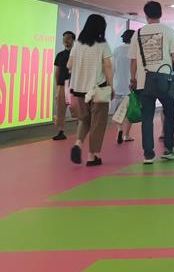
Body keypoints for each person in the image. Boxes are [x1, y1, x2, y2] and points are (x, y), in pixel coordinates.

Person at [130, 0, 174, 165]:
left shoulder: (138, 34)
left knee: (147, 118)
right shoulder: (169, 32)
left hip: (144, 82)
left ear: (146, 15)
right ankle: (169, 149)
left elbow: (133, 61)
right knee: (169, 113)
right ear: (160, 13)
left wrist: (133, 79)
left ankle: (148, 154)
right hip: (165, 80)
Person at [68, 15, 113, 168]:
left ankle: (78, 143)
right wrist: (111, 85)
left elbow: (69, 65)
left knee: (84, 119)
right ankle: (92, 156)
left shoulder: (77, 44)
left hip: (79, 89)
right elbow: (108, 66)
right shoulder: (102, 44)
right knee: (97, 123)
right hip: (97, 89)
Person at [51, 30, 76, 140]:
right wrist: (58, 86)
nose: (66, 40)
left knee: (78, 109)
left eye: (68, 38)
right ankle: (60, 131)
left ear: (73, 40)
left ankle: (81, 131)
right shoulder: (60, 55)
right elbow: (57, 71)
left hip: (75, 86)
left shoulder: (77, 54)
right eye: (64, 38)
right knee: (60, 110)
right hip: (62, 85)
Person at [113, 29, 136, 144]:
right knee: (129, 111)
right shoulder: (135, 50)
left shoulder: (116, 50)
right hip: (131, 86)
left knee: (119, 110)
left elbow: (112, 68)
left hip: (118, 85)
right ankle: (126, 135)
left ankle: (119, 129)